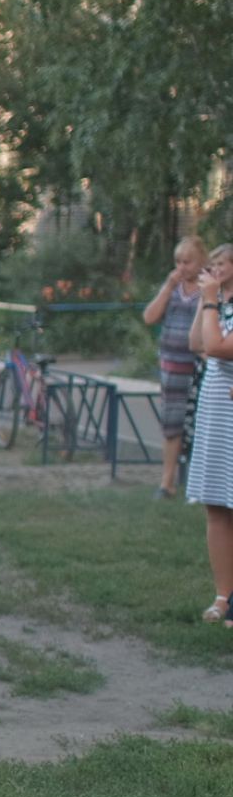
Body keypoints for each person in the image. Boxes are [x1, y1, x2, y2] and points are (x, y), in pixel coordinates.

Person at [188, 246, 233, 625]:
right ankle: (223, 596)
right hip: (216, 411)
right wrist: (203, 304)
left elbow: (217, 347)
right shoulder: (215, 304)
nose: (214, 270)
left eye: (221, 265)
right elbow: (196, 344)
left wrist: (209, 302)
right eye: (212, 265)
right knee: (217, 505)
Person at [147, 235, 208, 499]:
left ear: (201, 262)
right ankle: (167, 482)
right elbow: (150, 316)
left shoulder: (208, 287)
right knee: (171, 425)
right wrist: (168, 286)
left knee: (200, 424)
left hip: (198, 364)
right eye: (178, 261)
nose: (182, 267)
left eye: (188, 261)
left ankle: (199, 482)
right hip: (172, 365)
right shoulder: (173, 287)